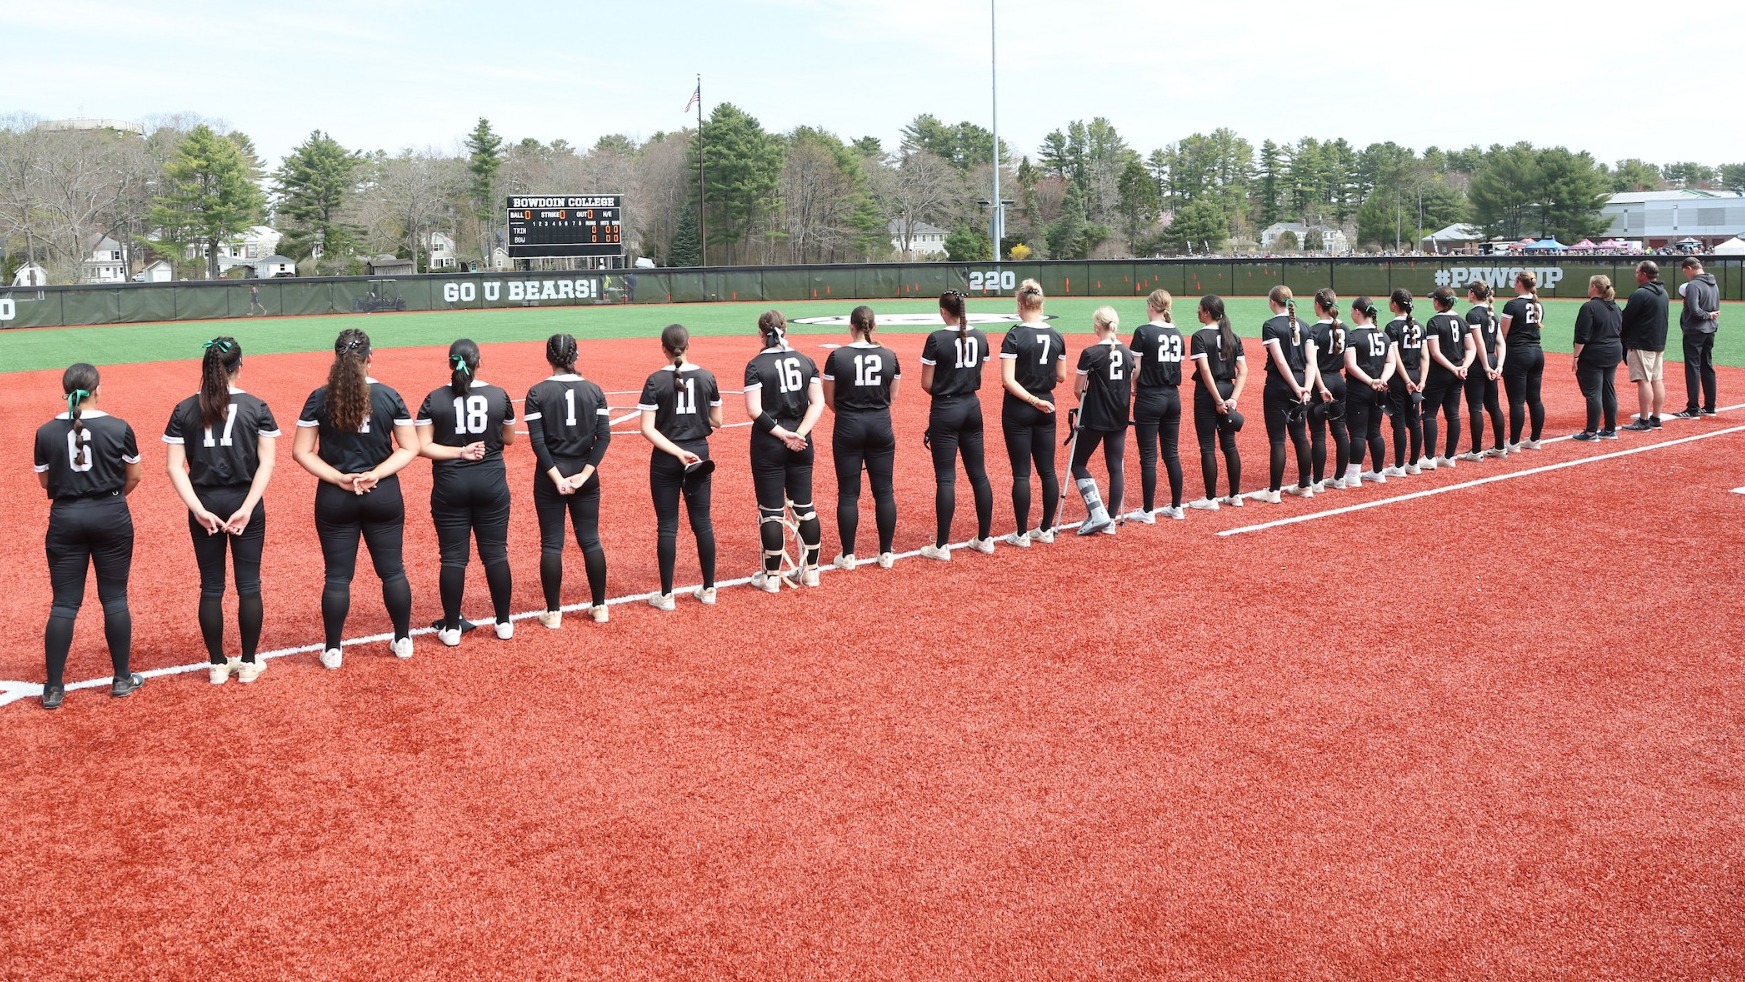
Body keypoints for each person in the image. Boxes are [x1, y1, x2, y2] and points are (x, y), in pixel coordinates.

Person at [293, 328, 419, 669]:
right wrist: (377, 473)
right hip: (383, 493)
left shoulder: (319, 397)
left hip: (336, 496)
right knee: (392, 571)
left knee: (337, 576)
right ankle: (403, 638)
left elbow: (301, 452)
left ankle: (333, 649)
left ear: (336, 358)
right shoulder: (389, 396)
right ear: (369, 357)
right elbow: (411, 446)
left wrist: (339, 478)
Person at [163, 337, 278, 685]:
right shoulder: (257, 407)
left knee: (211, 586)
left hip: (206, 502)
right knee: (249, 585)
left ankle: (216, 664)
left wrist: (197, 509)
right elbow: (267, 463)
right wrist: (247, 507)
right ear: (238, 366)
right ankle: (248, 663)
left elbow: (174, 467)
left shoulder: (184, 409)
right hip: (245, 499)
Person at [34, 364, 143, 709]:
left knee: (64, 603)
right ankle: (122, 678)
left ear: (65, 392)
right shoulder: (119, 427)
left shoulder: (46, 431)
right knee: (114, 599)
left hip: (65, 517)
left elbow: (44, 482)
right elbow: (134, 476)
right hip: (111, 514)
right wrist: (109, 498)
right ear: (98, 389)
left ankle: (53, 688)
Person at [415, 339, 516, 646]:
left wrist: (459, 452)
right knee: (496, 554)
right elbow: (508, 438)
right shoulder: (499, 395)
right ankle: (503, 622)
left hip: (450, 486)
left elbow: (423, 446)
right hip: (491, 483)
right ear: (479, 362)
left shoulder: (434, 398)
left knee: (453, 559)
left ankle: (452, 629)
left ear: (450, 363)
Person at [524, 333, 612, 628]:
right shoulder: (594, 390)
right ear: (576, 356)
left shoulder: (536, 392)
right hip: (585, 474)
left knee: (552, 544)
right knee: (591, 540)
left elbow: (538, 443)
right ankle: (600, 606)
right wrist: (585, 475)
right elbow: (604, 438)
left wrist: (558, 478)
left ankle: (553, 613)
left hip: (550, 476)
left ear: (549, 357)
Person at [638, 324, 722, 609]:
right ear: (689, 345)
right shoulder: (707, 376)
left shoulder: (654, 381)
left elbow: (647, 429)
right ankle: (709, 589)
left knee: (667, 526)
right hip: (699, 454)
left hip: (666, 457)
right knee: (703, 523)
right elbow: (718, 420)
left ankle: (666, 595)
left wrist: (676, 451)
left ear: (663, 348)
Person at [743, 310, 825, 590]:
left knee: (771, 511)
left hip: (769, 441)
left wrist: (782, 434)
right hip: (802, 441)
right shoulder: (806, 361)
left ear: (760, 334)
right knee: (805, 506)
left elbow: (754, 410)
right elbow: (817, 403)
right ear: (784, 330)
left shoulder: (755, 365)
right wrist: (799, 434)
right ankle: (811, 571)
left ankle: (772, 577)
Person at [918, 290, 996, 559]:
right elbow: (980, 377)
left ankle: (941, 546)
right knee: (979, 474)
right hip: (972, 406)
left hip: (946, 407)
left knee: (946, 478)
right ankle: (985, 538)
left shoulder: (936, 338)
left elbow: (927, 383)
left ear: (943, 311)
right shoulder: (981, 336)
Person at [822, 306, 899, 570]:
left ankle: (848, 555)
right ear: (873, 326)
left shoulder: (837, 356)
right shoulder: (889, 356)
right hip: (880, 424)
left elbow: (829, 399)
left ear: (851, 326)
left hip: (848, 425)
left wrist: (849, 413)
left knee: (848, 493)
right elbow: (892, 397)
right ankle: (886, 552)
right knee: (884, 491)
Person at [997, 279, 1068, 545]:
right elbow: (1060, 376)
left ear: (1020, 304)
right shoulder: (1057, 335)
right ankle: (1046, 529)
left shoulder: (1014, 335)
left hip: (1020, 406)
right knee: (1047, 471)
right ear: (1041, 304)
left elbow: (1007, 380)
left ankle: (1022, 533)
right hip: (1047, 405)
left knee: (1021, 473)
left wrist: (1031, 398)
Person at [1070, 306, 1135, 534]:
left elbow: (1078, 389)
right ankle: (1111, 519)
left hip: (1095, 417)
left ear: (1097, 326)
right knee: (1115, 466)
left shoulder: (1090, 353)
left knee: (1078, 463)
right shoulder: (1128, 354)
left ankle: (1098, 513)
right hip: (1120, 417)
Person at [1130, 289, 1188, 519]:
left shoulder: (1143, 332)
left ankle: (1147, 511)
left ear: (1152, 307)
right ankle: (1177, 506)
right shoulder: (1177, 332)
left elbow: (1137, 368)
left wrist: (1133, 387)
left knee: (1148, 456)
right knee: (1171, 453)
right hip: (1172, 397)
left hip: (1149, 396)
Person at [1186, 295, 1247, 510]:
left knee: (1208, 447)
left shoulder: (1199, 337)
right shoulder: (1233, 336)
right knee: (1229, 445)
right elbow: (1243, 371)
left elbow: (1205, 371)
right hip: (1227, 389)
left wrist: (1218, 400)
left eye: (1200, 309)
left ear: (1208, 312)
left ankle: (1211, 499)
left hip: (1208, 393)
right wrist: (1233, 399)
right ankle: (1235, 495)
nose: (1198, 312)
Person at [1257, 285, 1316, 503]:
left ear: (1273, 302)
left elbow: (1280, 361)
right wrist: (1306, 388)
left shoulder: (1271, 325)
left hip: (1280, 385)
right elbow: (1312, 362)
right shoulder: (1305, 326)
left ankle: (1274, 491)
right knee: (1300, 436)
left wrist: (1294, 386)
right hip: (1301, 382)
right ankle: (1305, 485)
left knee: (1278, 439)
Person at [1342, 297, 1395, 486]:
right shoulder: (1384, 335)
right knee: (1374, 431)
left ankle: (1354, 474)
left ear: (1358, 311)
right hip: (1379, 390)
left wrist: (1370, 381)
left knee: (1357, 432)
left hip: (1359, 389)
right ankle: (1378, 472)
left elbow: (1350, 365)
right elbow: (1391, 362)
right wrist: (1382, 380)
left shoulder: (1353, 336)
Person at [1421, 287, 1476, 468]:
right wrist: (1463, 367)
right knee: (1452, 414)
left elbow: (1435, 353)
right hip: (1458, 373)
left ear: (1438, 302)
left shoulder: (1434, 322)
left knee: (1430, 413)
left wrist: (1453, 368)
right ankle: (1449, 456)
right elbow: (1471, 348)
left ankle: (1429, 458)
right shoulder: (1461, 321)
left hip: (1439, 373)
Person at [1306, 289, 1350, 491]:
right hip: (1339, 381)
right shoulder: (1345, 328)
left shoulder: (1313, 331)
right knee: (1340, 432)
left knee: (1318, 435)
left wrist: (1321, 387)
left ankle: (1317, 482)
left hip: (1321, 383)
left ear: (1318, 305)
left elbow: (1312, 364)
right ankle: (1340, 478)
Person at [1570, 275, 1624, 441]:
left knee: (1593, 393)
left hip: (1594, 354)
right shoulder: (1615, 306)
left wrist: (1576, 356)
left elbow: (1582, 336)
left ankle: (1591, 432)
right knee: (1608, 390)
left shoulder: (1589, 307)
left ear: (1594, 286)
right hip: (1614, 351)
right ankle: (1609, 429)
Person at [1619, 261, 1670, 431]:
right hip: (1658, 341)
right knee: (1657, 379)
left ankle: (1644, 420)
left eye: (1637, 272)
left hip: (1641, 342)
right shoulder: (1663, 293)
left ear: (1644, 274)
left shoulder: (1641, 294)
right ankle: (1655, 417)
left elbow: (1625, 318)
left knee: (1644, 380)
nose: (1636, 275)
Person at [1460, 282, 1508, 460]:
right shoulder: (1491, 314)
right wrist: (1499, 366)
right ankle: (1500, 447)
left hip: (1479, 363)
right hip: (1492, 358)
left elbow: (1478, 342)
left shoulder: (1473, 314)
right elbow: (1500, 343)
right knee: (1493, 405)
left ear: (1473, 294)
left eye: (1469, 291)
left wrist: (1487, 367)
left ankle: (1476, 451)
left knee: (1475, 407)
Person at [1500, 271, 1546, 450]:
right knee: (1534, 399)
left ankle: (1513, 442)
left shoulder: (1512, 305)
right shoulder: (1538, 304)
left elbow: (1503, 333)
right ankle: (1535, 440)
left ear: (1519, 282)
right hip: (1536, 352)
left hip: (1518, 354)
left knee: (1517, 401)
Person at [1384, 289, 1428, 476]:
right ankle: (1414, 463)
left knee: (1399, 423)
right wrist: (1421, 380)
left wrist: (1406, 380)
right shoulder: (1419, 326)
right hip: (1416, 378)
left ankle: (1400, 466)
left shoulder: (1391, 327)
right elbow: (1425, 357)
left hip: (1399, 379)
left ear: (1394, 305)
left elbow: (1396, 359)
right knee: (1414, 420)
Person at [1671, 257, 1721, 419]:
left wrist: (1706, 315)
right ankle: (1710, 406)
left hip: (1695, 331)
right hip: (1710, 330)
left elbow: (1694, 310)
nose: (1686, 275)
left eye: (1685, 272)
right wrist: (1710, 316)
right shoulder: (1713, 283)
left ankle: (1692, 408)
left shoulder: (1693, 285)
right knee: (1707, 366)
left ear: (1689, 268)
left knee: (1693, 368)